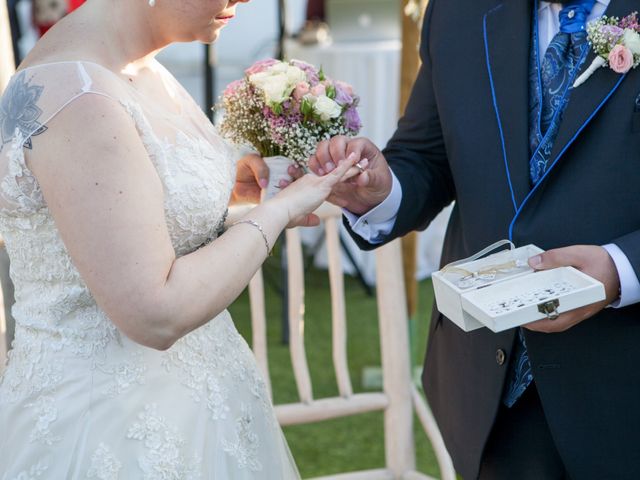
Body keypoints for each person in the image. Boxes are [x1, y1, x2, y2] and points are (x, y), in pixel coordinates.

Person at [0, 0, 360, 477]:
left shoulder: (136, 65)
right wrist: (276, 214)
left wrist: (229, 203)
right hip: (112, 427)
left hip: (203, 400)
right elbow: (155, 313)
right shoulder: (79, 97)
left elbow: (131, 231)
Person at [305, 0, 640, 478]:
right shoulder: (457, 11)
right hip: (491, 385)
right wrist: (380, 192)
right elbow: (426, 154)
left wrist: (621, 267)